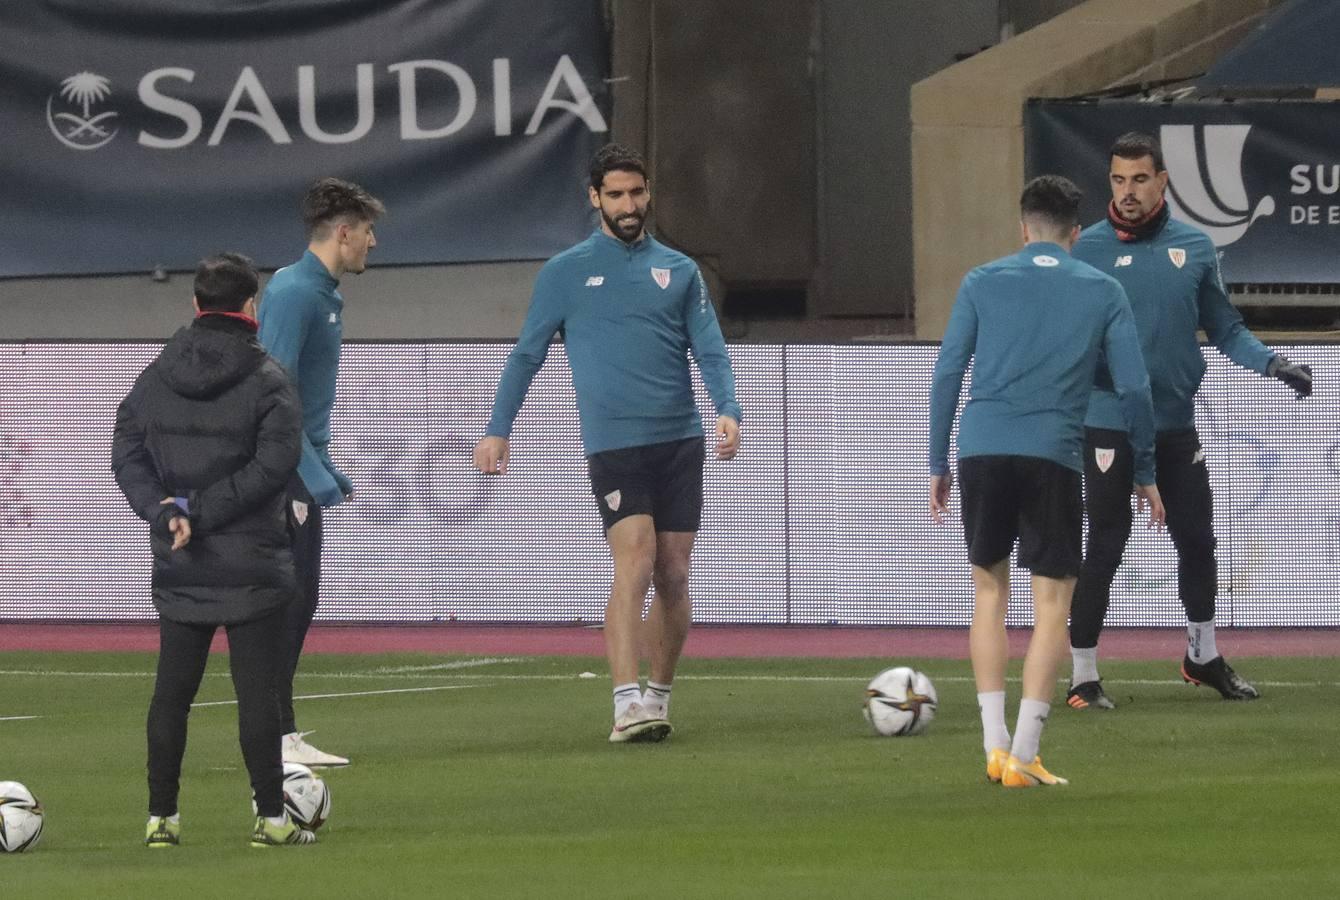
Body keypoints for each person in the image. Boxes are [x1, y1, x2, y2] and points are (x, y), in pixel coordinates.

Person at [474, 143, 741, 743]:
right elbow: (527, 354)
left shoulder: (680, 270)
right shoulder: (565, 272)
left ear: (648, 194)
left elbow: (710, 346)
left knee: (674, 571)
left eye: (636, 193)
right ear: (594, 198)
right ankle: (624, 704)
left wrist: (729, 408)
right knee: (637, 556)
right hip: (615, 444)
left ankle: (657, 697)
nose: (628, 205)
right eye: (615, 194)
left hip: (680, 440)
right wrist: (498, 428)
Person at [929, 175, 1165, 788]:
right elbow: (1136, 388)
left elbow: (948, 371)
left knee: (987, 595)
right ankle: (1025, 754)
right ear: (1076, 234)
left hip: (981, 449)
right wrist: (1142, 469)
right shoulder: (1102, 288)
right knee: (1050, 607)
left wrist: (938, 462)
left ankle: (992, 744)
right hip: (1053, 456)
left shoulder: (981, 280)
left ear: (1022, 226)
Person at [1065, 132, 1313, 710]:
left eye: (1140, 179)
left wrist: (1272, 364)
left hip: (1176, 423)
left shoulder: (1196, 248)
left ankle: (1201, 655)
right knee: (1105, 542)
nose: (1128, 191)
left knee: (1198, 541)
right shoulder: (1085, 250)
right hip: (1105, 422)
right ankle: (1082, 675)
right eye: (1119, 180)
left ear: (1162, 181)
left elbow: (1224, 328)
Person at [112, 253, 314, 847]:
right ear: (252, 306)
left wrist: (168, 511)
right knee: (259, 696)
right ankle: (272, 821)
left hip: (182, 563)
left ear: (196, 305)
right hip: (254, 562)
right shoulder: (270, 378)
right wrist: (199, 511)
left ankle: (161, 820)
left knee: (171, 695)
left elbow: (126, 453)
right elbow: (275, 464)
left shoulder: (155, 374)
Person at [258, 177, 385, 766]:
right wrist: (308, 473)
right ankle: (273, 738)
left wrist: (328, 466)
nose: (373, 242)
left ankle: (279, 734)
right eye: (366, 231)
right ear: (342, 233)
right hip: (283, 471)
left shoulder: (320, 291)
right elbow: (272, 390)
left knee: (300, 599)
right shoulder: (293, 292)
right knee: (291, 600)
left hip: (300, 466)